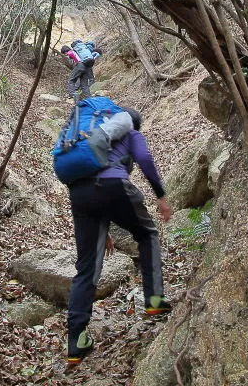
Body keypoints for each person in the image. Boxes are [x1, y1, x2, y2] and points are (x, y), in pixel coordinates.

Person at [66, 106, 173, 366]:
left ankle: (76, 343)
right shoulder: (132, 133)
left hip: (80, 195)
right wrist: (161, 195)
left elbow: (89, 183)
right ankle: (155, 299)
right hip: (114, 185)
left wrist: (103, 226)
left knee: (87, 267)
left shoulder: (91, 135)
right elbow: (145, 159)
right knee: (147, 233)